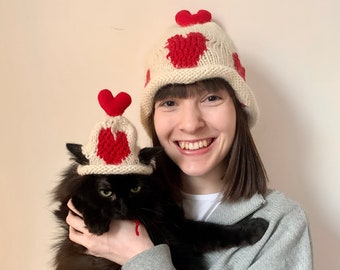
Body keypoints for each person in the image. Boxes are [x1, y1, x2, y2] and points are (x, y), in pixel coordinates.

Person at [66, 9, 313, 269]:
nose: (191, 124)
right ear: (153, 119)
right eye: (170, 102)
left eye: (211, 98)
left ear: (239, 110)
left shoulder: (281, 222)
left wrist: (140, 257)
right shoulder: (103, 202)